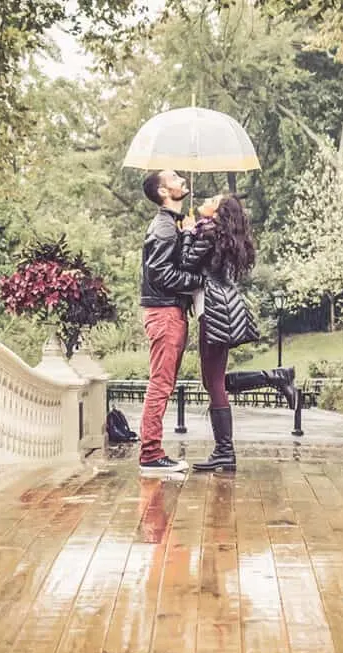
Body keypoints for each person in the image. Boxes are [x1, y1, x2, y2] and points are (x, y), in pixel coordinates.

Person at [180, 194, 297, 472]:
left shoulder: (208, 234)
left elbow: (185, 262)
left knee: (214, 383)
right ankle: (275, 377)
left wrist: (186, 233)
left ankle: (224, 451)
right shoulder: (216, 234)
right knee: (212, 382)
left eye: (213, 198)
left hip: (215, 312)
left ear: (218, 211)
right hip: (221, 309)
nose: (206, 198)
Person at [137, 170, 203, 473]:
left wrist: (188, 234)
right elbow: (161, 274)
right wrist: (197, 280)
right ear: (164, 192)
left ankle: (153, 452)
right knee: (160, 384)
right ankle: (151, 454)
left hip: (169, 311)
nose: (181, 180)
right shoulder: (163, 227)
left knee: (164, 383)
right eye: (175, 178)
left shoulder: (171, 225)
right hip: (164, 314)